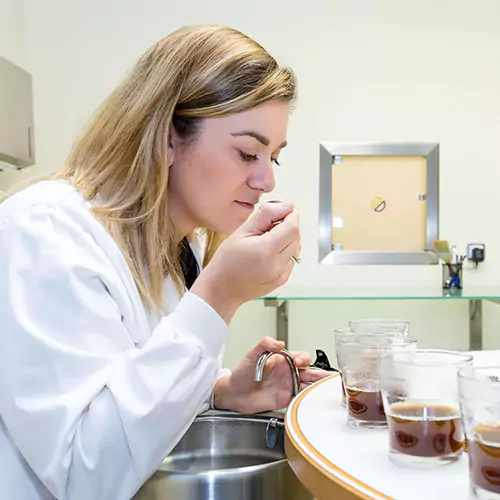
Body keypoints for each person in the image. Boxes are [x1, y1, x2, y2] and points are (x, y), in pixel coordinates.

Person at [0, 24, 328, 500]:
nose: (265, 180)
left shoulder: (181, 246)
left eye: (272, 157)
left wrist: (222, 391)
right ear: (168, 136)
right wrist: (219, 297)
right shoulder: (43, 230)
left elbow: (128, 388)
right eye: (246, 152)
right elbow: (85, 472)